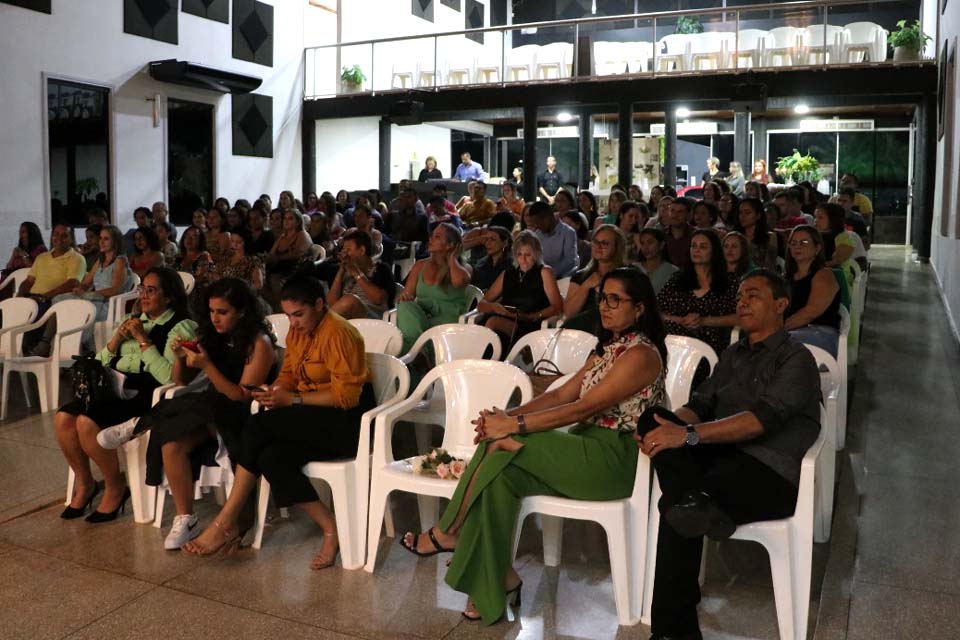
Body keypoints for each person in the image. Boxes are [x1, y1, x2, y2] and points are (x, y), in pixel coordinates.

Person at [401, 267, 669, 624]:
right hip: (585, 448)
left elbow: (582, 408)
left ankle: (449, 530)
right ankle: (500, 582)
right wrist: (506, 414)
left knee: (503, 440)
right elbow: (560, 394)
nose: (605, 306)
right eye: (602, 298)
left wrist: (511, 426)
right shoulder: (608, 349)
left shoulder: (641, 355)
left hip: (615, 460)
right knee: (500, 475)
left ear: (640, 309)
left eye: (615, 300)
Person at [639, 268, 820, 640]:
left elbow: (759, 422)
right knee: (652, 418)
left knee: (677, 510)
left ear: (781, 304)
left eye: (753, 295)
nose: (742, 302)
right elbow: (700, 405)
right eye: (739, 296)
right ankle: (695, 500)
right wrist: (665, 429)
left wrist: (686, 436)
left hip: (767, 472)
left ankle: (672, 633)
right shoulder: (734, 354)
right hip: (718, 458)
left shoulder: (796, 359)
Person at [182, 275, 376, 566]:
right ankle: (330, 528)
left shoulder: (339, 333)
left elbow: (346, 397)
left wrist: (293, 400)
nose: (293, 323)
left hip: (349, 422)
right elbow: (288, 374)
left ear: (319, 305)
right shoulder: (298, 333)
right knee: (271, 457)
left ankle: (227, 520)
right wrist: (275, 392)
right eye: (288, 315)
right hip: (314, 416)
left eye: (298, 314)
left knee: (258, 426)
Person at [96, 278, 275, 549]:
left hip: (242, 416)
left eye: (222, 312)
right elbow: (181, 381)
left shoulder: (259, 343)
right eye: (212, 311)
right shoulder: (212, 335)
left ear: (242, 311)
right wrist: (181, 357)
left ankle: (141, 423)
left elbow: (241, 396)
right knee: (171, 441)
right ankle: (186, 519)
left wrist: (207, 366)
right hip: (208, 413)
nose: (215, 318)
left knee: (210, 402)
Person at [54, 267, 197, 522]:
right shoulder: (132, 319)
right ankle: (86, 483)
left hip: (148, 394)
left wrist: (142, 339)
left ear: (169, 296)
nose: (143, 295)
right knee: (63, 418)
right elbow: (98, 363)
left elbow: (168, 377)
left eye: (151, 290)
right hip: (113, 389)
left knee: (86, 423)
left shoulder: (181, 326)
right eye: (142, 289)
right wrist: (116, 340)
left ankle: (115, 486)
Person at [475, 231, 563, 350]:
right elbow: (482, 304)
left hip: (530, 323)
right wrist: (494, 307)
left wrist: (532, 316)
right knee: (487, 323)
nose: (523, 259)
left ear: (536, 254)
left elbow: (557, 307)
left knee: (493, 323)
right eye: (519, 254)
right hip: (505, 318)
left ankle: (485, 357)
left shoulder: (544, 272)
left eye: (528, 255)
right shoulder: (508, 274)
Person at [51, 225, 134, 351]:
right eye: (100, 238)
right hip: (93, 298)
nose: (101, 242)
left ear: (115, 241)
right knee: (59, 299)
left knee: (78, 310)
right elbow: (86, 282)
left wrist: (91, 294)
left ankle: (79, 345)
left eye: (106, 239)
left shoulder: (119, 260)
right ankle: (63, 344)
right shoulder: (100, 260)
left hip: (107, 303)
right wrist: (80, 288)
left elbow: (116, 289)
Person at [658, 229, 738, 357]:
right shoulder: (677, 279)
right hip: (677, 343)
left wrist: (703, 321)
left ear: (714, 251)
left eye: (703, 247)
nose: (696, 250)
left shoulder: (729, 281)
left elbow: (740, 317)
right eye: (693, 246)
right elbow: (656, 311)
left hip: (712, 344)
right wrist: (680, 320)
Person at [396, 223, 472, 353]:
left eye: (437, 237)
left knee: (410, 334)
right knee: (404, 305)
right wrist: (404, 296)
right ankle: (420, 352)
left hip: (447, 322)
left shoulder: (463, 268)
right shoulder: (420, 265)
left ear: (450, 245)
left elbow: (458, 282)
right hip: (421, 318)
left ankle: (416, 353)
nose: (430, 239)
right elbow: (407, 295)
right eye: (431, 236)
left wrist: (452, 258)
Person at [16, 223, 87, 355]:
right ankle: (12, 349)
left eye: (64, 235)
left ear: (71, 239)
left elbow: (73, 283)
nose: (59, 238)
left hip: (53, 300)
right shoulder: (42, 257)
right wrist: (20, 296)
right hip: (33, 298)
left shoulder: (77, 258)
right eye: (56, 234)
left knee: (31, 312)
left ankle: (26, 349)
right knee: (7, 311)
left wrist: (44, 296)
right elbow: (29, 281)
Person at [784, 225, 841, 357]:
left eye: (804, 242)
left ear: (817, 248)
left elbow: (810, 313)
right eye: (793, 243)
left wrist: (776, 330)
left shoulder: (824, 275)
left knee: (773, 344)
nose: (797, 246)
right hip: (793, 331)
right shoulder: (787, 277)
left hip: (820, 332)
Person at [562, 224, 627, 332]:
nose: (598, 246)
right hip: (584, 332)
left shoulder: (627, 275)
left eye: (604, 243)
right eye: (595, 242)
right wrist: (586, 286)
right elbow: (568, 313)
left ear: (617, 247)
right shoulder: (581, 276)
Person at [327, 230, 395, 320]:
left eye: (348, 249)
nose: (344, 254)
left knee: (350, 300)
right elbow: (331, 304)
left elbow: (378, 299)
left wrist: (356, 273)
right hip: (347, 320)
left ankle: (321, 326)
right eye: (343, 250)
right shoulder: (346, 274)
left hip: (373, 319)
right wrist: (340, 272)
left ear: (362, 250)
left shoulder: (381, 269)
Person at [265, 209, 313, 308]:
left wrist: (279, 258)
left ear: (298, 222)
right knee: (260, 279)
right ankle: (276, 306)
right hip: (280, 267)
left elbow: (299, 253)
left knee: (274, 279)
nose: (286, 221)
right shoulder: (283, 236)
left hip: (295, 268)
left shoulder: (302, 235)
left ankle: (281, 307)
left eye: (290, 219)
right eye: (285, 218)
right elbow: (271, 253)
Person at [527, 201, 578, 279]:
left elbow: (570, 261)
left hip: (563, 278)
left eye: (537, 222)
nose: (536, 226)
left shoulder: (568, 233)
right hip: (542, 278)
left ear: (548, 216)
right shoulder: (537, 235)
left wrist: (549, 274)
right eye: (534, 223)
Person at [815, 202, 868, 275]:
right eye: (815, 217)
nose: (815, 220)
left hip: (844, 276)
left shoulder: (845, 237)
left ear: (833, 219)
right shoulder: (818, 235)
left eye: (820, 217)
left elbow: (836, 262)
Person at [734, 198, 778, 271]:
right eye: (740, 213)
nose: (742, 216)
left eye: (747, 212)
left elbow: (771, 263)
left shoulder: (770, 237)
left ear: (758, 215)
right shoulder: (735, 236)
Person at [638, 228, 680, 294]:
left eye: (650, 242)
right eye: (642, 243)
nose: (645, 247)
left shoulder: (672, 271)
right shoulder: (634, 269)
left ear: (661, 245)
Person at [470, 226, 513, 291]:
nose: (488, 243)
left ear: (505, 243)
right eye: (487, 239)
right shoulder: (481, 262)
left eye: (493, 239)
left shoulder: (510, 265)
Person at [664, 198, 695, 270]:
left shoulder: (696, 235)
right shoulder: (660, 235)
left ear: (688, 215)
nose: (675, 215)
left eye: (680, 212)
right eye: (672, 211)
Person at [616, 200, 646, 264]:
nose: (634, 220)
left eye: (636, 217)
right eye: (630, 216)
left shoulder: (637, 237)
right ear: (621, 215)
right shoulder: (611, 233)